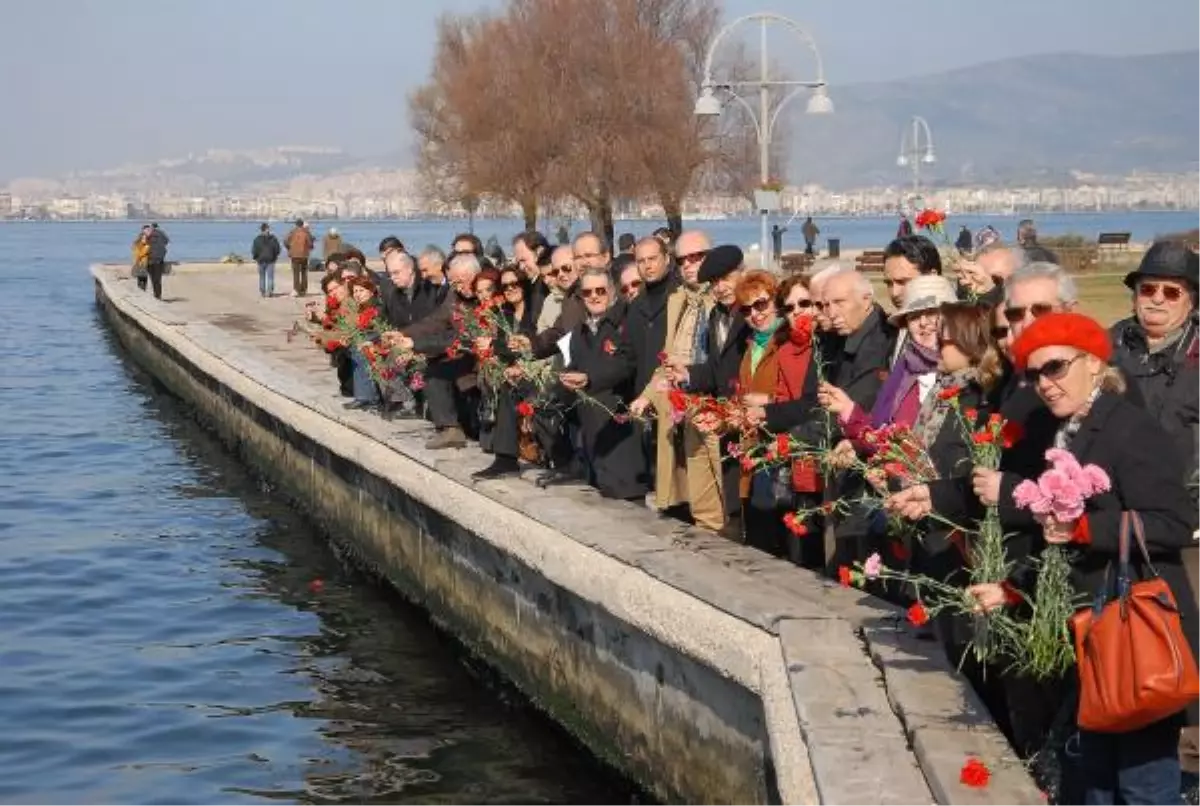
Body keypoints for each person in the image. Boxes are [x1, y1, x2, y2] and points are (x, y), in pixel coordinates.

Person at [982, 312, 1199, 804]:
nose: (1044, 383)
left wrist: (1086, 528)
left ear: (1095, 364)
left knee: (1143, 783)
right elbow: (1052, 542)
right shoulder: (1064, 431)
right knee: (1095, 781)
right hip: (1090, 631)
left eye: (1055, 367)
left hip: (1133, 630)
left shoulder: (1129, 430)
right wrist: (1012, 589)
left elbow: (1173, 522)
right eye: (1034, 373)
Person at [631, 231, 724, 531]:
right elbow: (668, 357)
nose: (689, 265)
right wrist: (647, 394)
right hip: (682, 409)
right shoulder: (679, 301)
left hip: (716, 409)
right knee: (695, 502)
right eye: (684, 259)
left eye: (697, 257)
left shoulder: (720, 300)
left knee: (721, 501)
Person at [559, 267, 648, 500]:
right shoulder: (579, 331)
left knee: (628, 509)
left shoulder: (626, 320)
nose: (594, 296)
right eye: (587, 292)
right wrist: (565, 379)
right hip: (591, 436)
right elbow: (572, 364)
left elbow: (626, 363)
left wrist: (589, 377)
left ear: (611, 291)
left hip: (620, 432)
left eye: (600, 290)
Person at [284, 219, 314, 297]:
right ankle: (303, 290)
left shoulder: (292, 232)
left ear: (296, 225)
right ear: (302, 224)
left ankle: (296, 290)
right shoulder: (306, 232)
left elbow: (285, 241)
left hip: (294, 255)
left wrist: (289, 248)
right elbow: (310, 243)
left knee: (296, 273)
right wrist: (309, 248)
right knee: (304, 273)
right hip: (304, 255)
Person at [251, 223, 282, 298]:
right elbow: (277, 249)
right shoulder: (273, 238)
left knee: (262, 277)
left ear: (261, 230)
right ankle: (269, 292)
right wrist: (275, 256)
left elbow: (254, 250)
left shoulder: (257, 239)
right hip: (270, 259)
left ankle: (263, 292)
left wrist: (256, 257)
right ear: (267, 229)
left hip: (261, 260)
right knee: (270, 277)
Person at [145, 223, 170, 300]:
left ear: (152, 227)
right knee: (158, 278)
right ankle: (158, 295)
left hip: (150, 258)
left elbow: (143, 244)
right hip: (159, 259)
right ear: (158, 227)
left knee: (152, 277)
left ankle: (156, 294)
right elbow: (166, 241)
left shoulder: (148, 234)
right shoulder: (162, 234)